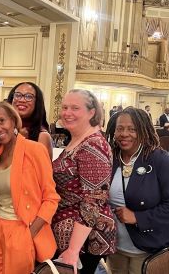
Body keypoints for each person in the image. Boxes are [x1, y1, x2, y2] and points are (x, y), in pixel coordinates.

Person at [0, 102, 60, 273]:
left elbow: (51, 198)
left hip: (21, 228)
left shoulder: (35, 150)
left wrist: (28, 234)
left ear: (13, 120)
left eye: (2, 121)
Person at [52, 89, 116, 274]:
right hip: (69, 236)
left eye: (75, 108)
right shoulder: (78, 140)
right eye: (64, 107)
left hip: (82, 243)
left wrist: (73, 250)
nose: (67, 113)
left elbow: (94, 200)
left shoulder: (93, 144)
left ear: (91, 112)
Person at [106, 107, 169, 274]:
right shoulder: (109, 158)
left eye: (132, 129)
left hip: (147, 250)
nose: (124, 134)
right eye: (120, 128)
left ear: (143, 130)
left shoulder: (159, 160)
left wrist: (137, 217)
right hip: (115, 248)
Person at [7, 82, 53, 159]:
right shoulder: (4, 129)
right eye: (18, 95)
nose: (22, 100)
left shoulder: (42, 136)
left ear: (37, 103)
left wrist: (21, 141)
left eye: (29, 97)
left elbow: (41, 170)